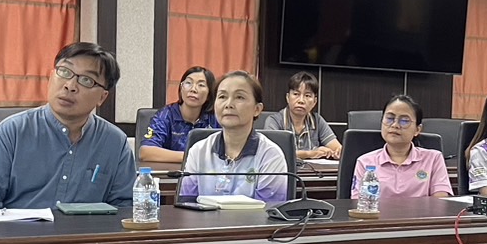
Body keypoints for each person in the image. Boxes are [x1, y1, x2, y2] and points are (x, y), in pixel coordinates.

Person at [0, 42, 134, 210]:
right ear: (51, 76)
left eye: (86, 80)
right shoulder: (10, 133)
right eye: (65, 72)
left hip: (86, 228)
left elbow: (124, 209)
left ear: (102, 97)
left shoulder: (115, 142)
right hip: (17, 227)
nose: (70, 86)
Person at [179, 71, 288, 204]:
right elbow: (186, 205)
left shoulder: (270, 155)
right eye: (222, 96)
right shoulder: (199, 151)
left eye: (239, 97)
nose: (228, 104)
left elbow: (268, 211)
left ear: (257, 109)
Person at [350, 95, 452, 199]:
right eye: (390, 118)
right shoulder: (365, 162)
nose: (395, 125)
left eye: (404, 121)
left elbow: (440, 202)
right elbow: (358, 203)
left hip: (422, 211)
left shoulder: (433, 159)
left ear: (417, 130)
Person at [139, 66, 219, 165]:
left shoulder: (215, 118)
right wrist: (191, 157)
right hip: (171, 172)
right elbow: (146, 152)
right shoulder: (165, 115)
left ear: (209, 94)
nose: (193, 89)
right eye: (188, 83)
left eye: (201, 85)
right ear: (181, 89)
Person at [264, 71, 341, 159]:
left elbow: (337, 147)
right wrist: (310, 154)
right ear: (288, 98)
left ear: (314, 101)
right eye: (296, 94)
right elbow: (273, 153)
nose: (301, 100)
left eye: (307, 96)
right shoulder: (274, 121)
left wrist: (338, 152)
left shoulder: (317, 120)